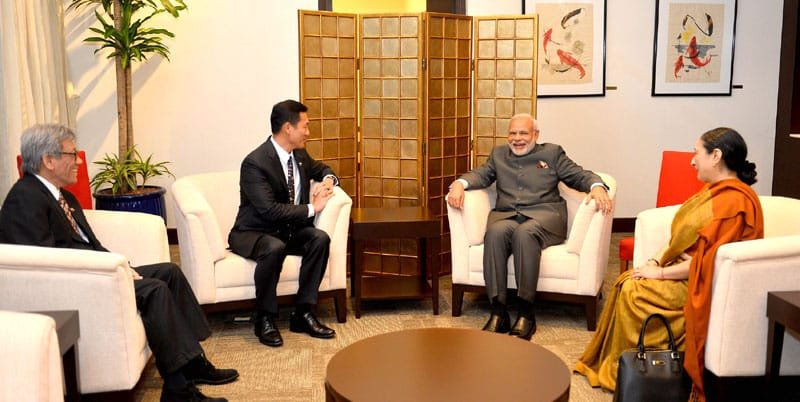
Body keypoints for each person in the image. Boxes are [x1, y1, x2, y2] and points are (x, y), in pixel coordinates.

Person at [0, 124, 238, 402]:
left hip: (96, 274)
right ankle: (178, 390)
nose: (78, 160)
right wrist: (109, 274)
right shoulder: (24, 198)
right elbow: (44, 262)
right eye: (72, 153)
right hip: (78, 286)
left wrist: (121, 266)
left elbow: (92, 245)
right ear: (48, 160)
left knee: (169, 272)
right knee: (155, 289)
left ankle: (193, 362)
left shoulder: (64, 196)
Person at [574, 127, 763, 401]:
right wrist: (656, 260)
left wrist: (661, 273)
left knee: (634, 291)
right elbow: (684, 243)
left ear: (716, 156)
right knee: (628, 280)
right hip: (690, 273)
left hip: (708, 286)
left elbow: (707, 263)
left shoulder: (734, 202)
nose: (692, 160)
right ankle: (624, 366)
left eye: (696, 152)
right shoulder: (714, 193)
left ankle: (642, 371)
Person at [447, 114, 611, 340]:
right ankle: (498, 311)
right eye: (512, 133)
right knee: (494, 233)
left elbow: (579, 175)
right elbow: (481, 174)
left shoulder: (552, 153)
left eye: (523, 133)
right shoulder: (498, 154)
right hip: (507, 216)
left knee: (524, 235)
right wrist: (459, 184)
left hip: (545, 217)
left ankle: (526, 313)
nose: (517, 138)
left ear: (535, 135)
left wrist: (597, 186)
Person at [228, 99, 338, 348]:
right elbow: (268, 210)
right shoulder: (255, 162)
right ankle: (264, 318)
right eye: (305, 126)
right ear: (288, 128)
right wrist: (312, 208)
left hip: (287, 231)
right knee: (274, 247)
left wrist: (329, 180)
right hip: (254, 231)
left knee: (319, 238)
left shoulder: (299, 155)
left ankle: (303, 313)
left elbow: (324, 169)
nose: (308, 132)